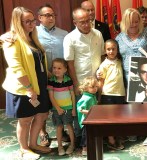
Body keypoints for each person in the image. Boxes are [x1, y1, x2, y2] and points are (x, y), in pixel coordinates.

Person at [2, 6, 51, 159]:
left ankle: (33, 144)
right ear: (18, 22)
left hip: (40, 84)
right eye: (27, 21)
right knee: (25, 120)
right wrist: (29, 88)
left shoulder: (32, 38)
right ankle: (24, 149)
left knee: (42, 114)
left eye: (33, 20)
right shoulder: (12, 40)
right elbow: (16, 67)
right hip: (24, 87)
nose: (32, 24)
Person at [63, 7, 104, 146]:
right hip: (81, 83)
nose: (87, 24)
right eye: (82, 22)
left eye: (88, 21)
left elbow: (103, 56)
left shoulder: (98, 34)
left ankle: (95, 139)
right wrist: (75, 84)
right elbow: (70, 63)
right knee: (81, 114)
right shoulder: (69, 38)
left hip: (96, 81)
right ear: (75, 22)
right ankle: (81, 141)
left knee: (97, 110)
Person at [37, 3, 69, 147]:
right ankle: (42, 133)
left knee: (62, 105)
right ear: (39, 18)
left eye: (52, 15)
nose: (51, 18)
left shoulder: (64, 34)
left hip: (60, 78)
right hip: (42, 77)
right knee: (43, 108)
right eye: (47, 15)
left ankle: (63, 131)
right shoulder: (34, 33)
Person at [115, 8, 147, 82]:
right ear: (125, 22)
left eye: (136, 22)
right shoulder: (119, 38)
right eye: (131, 22)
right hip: (126, 80)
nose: (134, 25)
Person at [97, 39, 125, 150]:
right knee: (109, 118)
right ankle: (111, 139)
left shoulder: (120, 62)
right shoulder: (104, 65)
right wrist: (100, 96)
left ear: (117, 50)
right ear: (105, 50)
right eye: (108, 49)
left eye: (113, 49)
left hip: (120, 94)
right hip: (107, 94)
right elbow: (101, 81)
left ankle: (118, 136)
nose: (111, 51)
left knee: (118, 117)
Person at [47, 58, 75, 156]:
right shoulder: (51, 81)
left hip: (68, 108)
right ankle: (60, 146)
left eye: (59, 68)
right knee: (59, 127)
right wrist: (58, 108)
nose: (56, 70)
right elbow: (51, 96)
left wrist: (74, 109)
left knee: (69, 126)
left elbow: (72, 95)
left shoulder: (68, 80)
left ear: (65, 69)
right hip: (56, 109)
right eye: (54, 68)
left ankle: (72, 145)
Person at [77, 76, 99, 156]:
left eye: (96, 86)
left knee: (91, 133)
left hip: (91, 119)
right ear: (85, 88)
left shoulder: (92, 96)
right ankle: (84, 148)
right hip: (86, 120)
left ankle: (91, 146)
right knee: (85, 135)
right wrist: (90, 112)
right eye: (92, 87)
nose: (95, 89)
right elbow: (80, 109)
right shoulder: (86, 98)